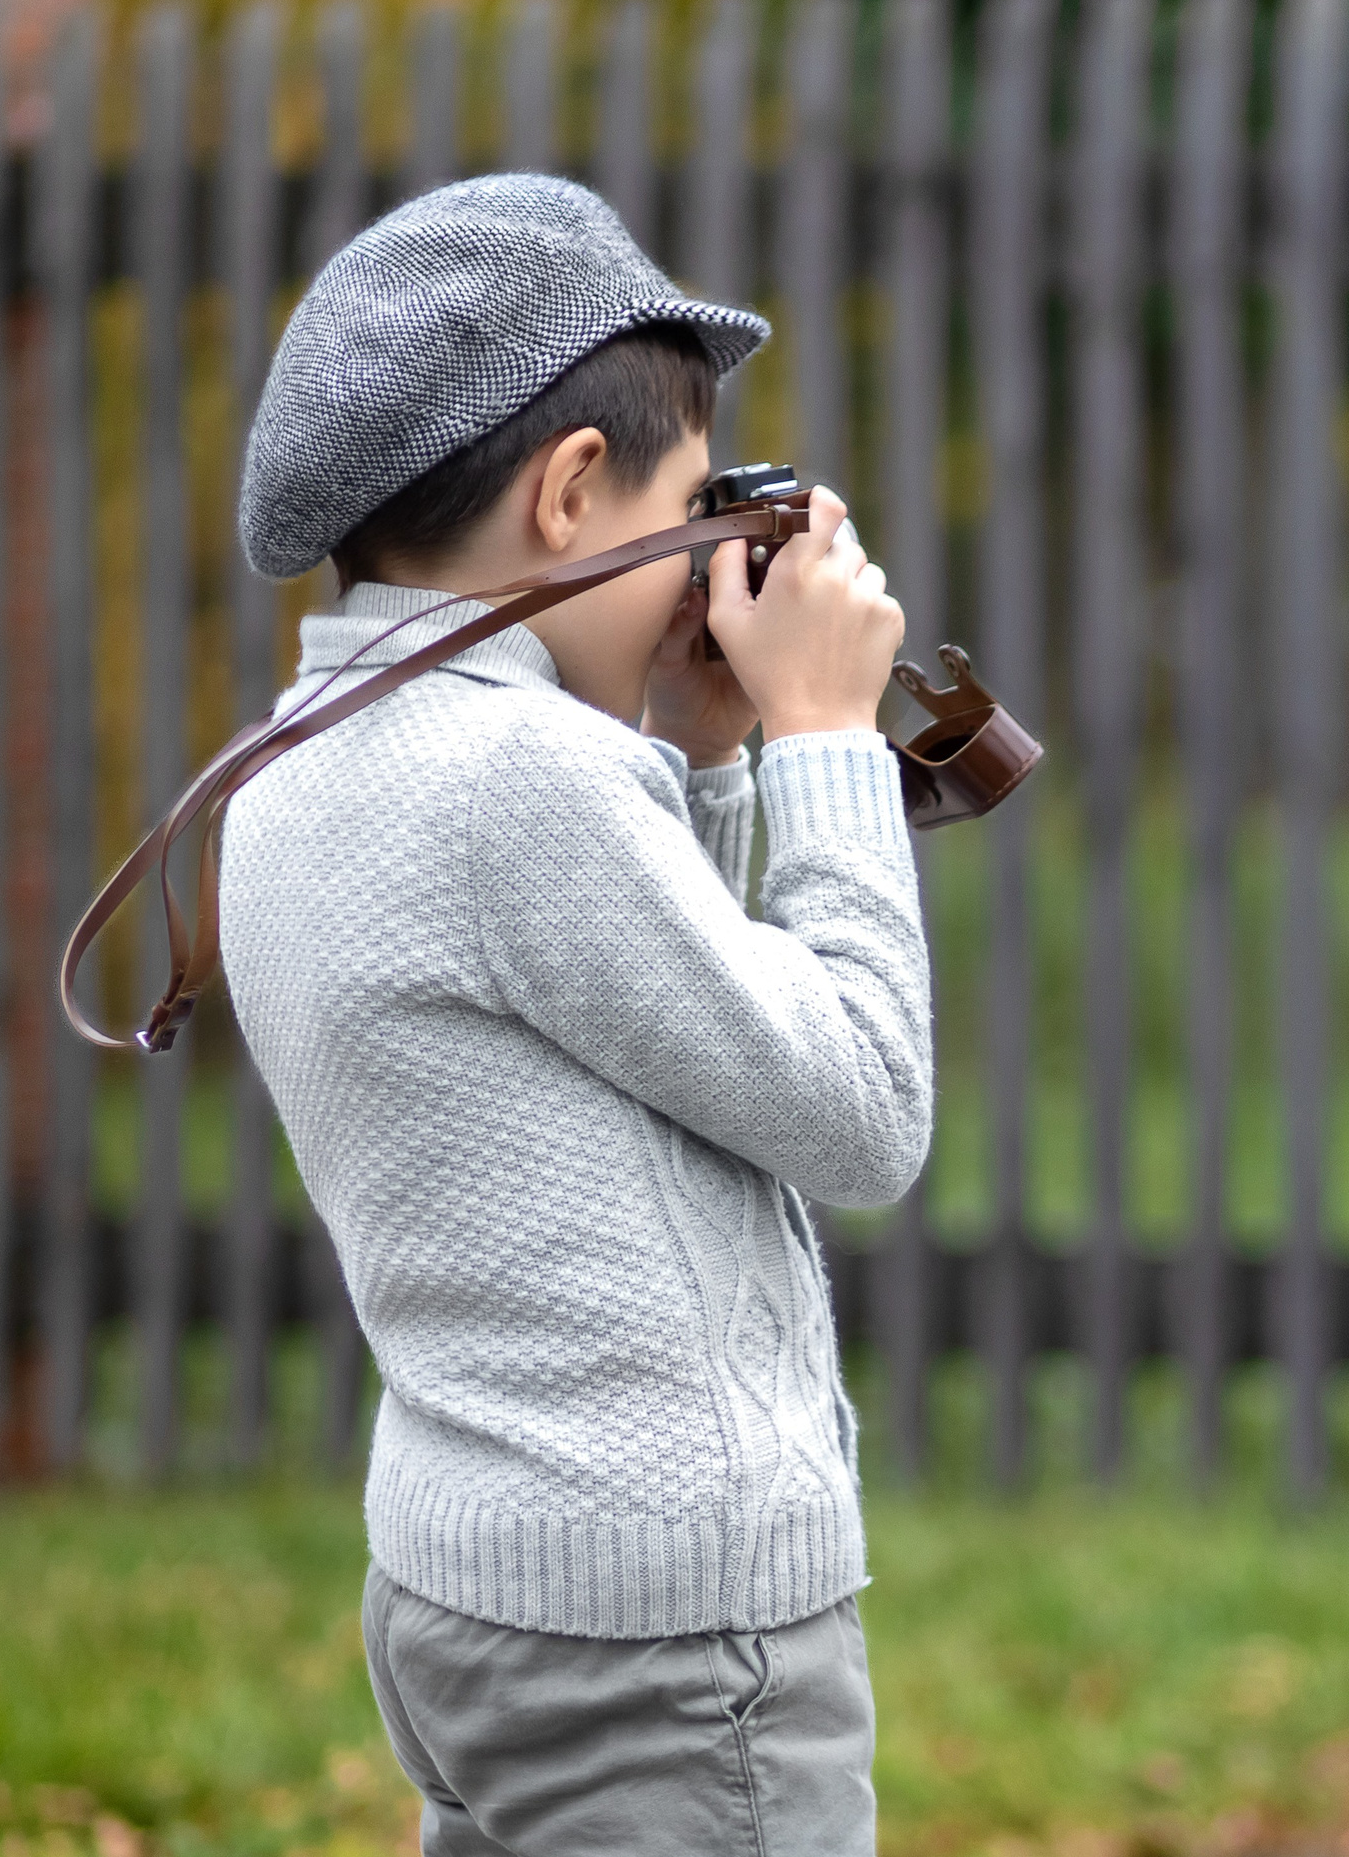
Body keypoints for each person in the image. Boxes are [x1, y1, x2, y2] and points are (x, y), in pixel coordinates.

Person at [219, 172, 930, 1857]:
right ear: (570, 492)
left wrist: (702, 757)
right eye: (687, 513)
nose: (706, 568)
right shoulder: (522, 781)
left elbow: (638, 1038)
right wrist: (829, 740)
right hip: (669, 1650)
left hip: (476, 1604)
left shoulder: (298, 763)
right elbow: (862, 1112)